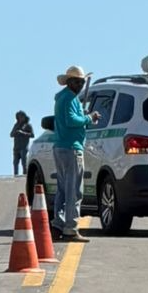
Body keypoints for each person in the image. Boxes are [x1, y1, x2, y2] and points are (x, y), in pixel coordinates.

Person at [52, 65, 98, 243]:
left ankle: (58, 224)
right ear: (70, 82)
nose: (80, 85)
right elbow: (71, 121)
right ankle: (70, 227)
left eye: (82, 82)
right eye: (78, 81)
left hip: (61, 147)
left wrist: (84, 117)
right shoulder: (70, 99)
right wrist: (89, 118)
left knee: (63, 189)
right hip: (72, 148)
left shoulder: (63, 98)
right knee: (74, 190)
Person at [10, 111, 34, 176]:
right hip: (16, 147)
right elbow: (11, 134)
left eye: (21, 116)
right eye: (19, 117)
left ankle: (25, 175)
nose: (20, 118)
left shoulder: (27, 125)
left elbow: (32, 135)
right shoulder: (16, 125)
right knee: (15, 162)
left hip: (23, 146)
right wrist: (16, 132)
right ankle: (15, 174)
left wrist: (23, 133)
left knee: (24, 162)